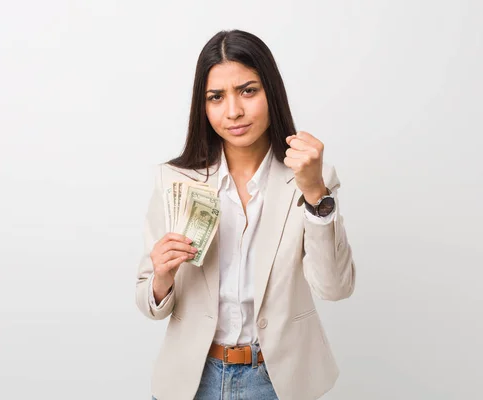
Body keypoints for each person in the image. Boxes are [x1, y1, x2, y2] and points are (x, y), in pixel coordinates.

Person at [135, 29, 356, 400]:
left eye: (248, 91)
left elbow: (335, 287)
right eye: (216, 97)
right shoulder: (175, 181)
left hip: (277, 382)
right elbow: (150, 304)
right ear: (202, 107)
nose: (233, 111)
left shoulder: (310, 180)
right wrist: (161, 277)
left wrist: (316, 193)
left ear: (271, 91)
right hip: (191, 380)